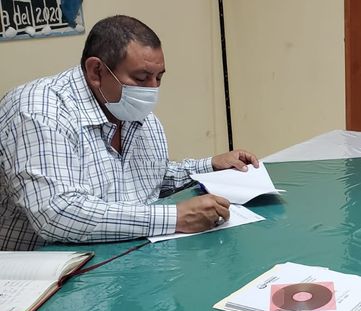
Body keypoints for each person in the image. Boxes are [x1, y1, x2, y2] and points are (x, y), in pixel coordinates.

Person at [0, 15, 260, 251]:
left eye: (159, 78)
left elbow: (146, 178)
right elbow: (58, 213)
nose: (152, 89)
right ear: (96, 71)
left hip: (116, 260)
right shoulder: (39, 111)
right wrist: (175, 217)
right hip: (39, 275)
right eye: (141, 77)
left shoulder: (136, 115)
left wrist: (209, 166)